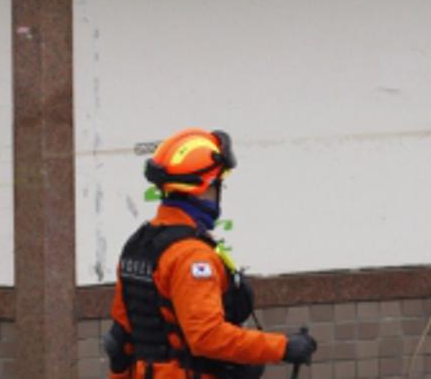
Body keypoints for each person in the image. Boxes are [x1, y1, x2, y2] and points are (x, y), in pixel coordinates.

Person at [104, 128, 318, 378]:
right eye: (218, 185)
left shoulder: (139, 245)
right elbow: (207, 336)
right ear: (204, 189)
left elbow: (119, 341)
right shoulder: (191, 255)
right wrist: (283, 347)